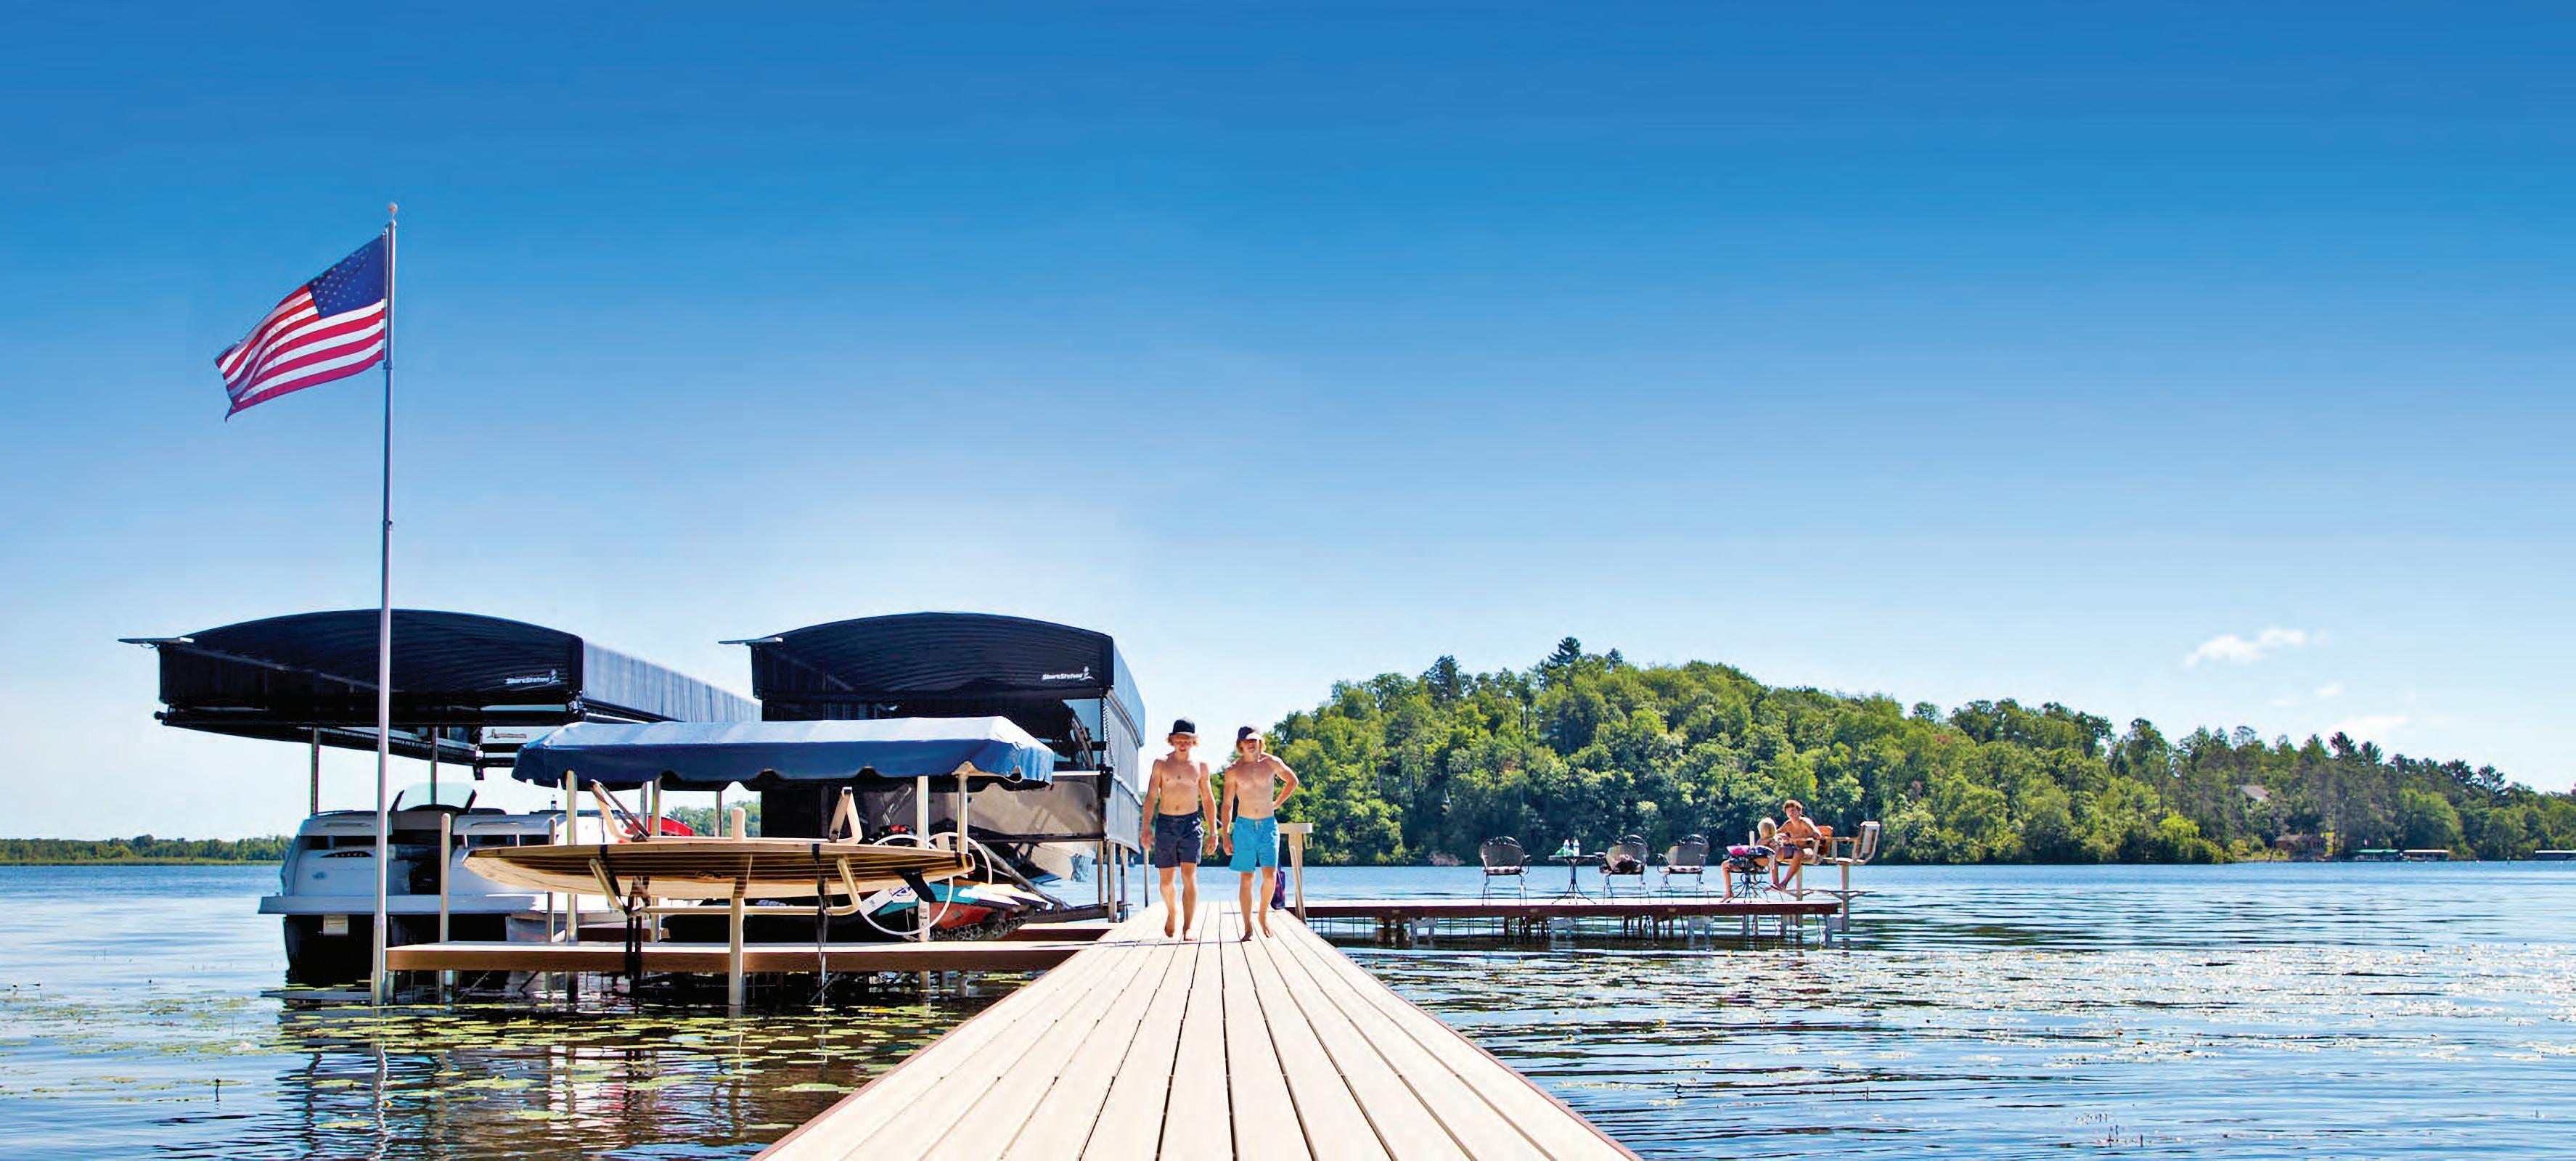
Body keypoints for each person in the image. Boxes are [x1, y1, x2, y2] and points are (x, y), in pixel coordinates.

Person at [1217, 726, 1299, 940]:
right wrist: (1225, 834)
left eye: (1254, 740)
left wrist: (1277, 803)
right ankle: (1247, 926)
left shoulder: (1271, 763)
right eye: (1247, 741)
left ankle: (1263, 916)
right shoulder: (1234, 770)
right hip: (1244, 827)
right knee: (1247, 877)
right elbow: (1227, 805)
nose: (1251, 744)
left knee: (1270, 876)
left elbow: (1293, 781)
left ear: (1260, 742)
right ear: (1240, 745)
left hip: (1267, 826)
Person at [1140, 718, 1218, 938]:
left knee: (1189, 876)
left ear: (1194, 741)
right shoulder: (1161, 763)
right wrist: (1145, 828)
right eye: (1179, 739)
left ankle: (1188, 926)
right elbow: (1151, 797)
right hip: (1166, 824)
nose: (1183, 743)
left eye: (1187, 740)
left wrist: (1214, 832)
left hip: (1191, 824)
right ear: (1172, 740)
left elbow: (1208, 799)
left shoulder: (1201, 766)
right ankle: (1172, 912)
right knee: (1166, 882)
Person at [1774, 800, 1832, 893]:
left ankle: (1784, 883)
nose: (1791, 813)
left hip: (1811, 851)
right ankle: (1775, 883)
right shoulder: (1788, 824)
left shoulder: (1805, 822)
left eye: (1793, 810)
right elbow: (1776, 834)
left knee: (1799, 853)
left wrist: (1800, 839)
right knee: (1775, 852)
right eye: (1788, 811)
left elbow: (1817, 835)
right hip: (1796, 849)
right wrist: (1783, 837)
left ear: (1799, 811)